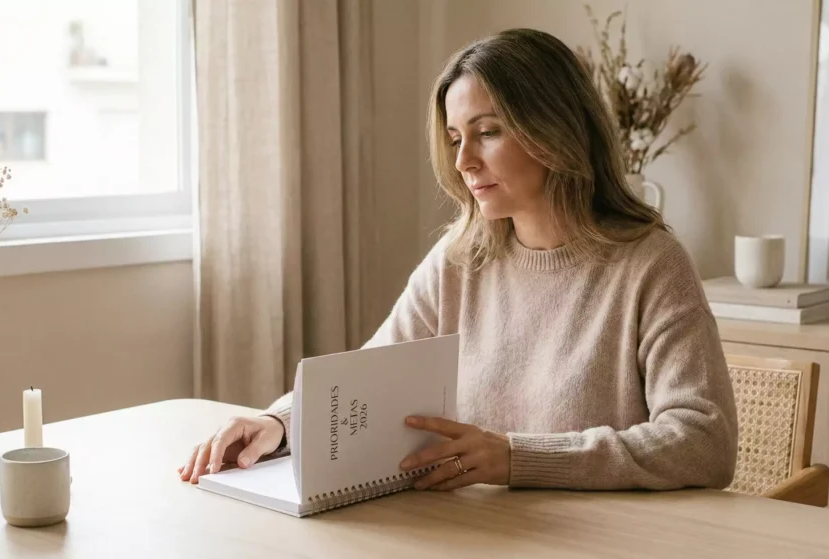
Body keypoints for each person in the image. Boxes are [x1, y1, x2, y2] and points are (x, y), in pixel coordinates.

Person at [179, 28, 738, 492]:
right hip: (476, 534)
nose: (465, 161)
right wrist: (276, 423)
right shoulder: (460, 258)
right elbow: (364, 385)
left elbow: (703, 441)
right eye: (454, 138)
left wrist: (519, 457)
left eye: (487, 132)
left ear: (557, 130)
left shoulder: (650, 263)